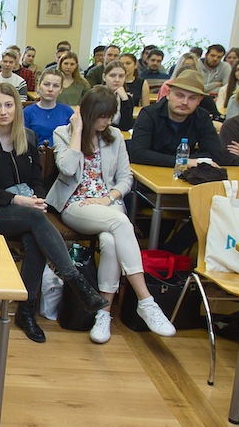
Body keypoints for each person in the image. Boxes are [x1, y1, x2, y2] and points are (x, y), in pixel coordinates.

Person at [0, 83, 106, 343]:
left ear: (17, 109)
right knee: (35, 219)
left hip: (27, 208)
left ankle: (26, 311)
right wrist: (20, 200)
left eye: (8, 105)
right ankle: (75, 281)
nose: (3, 111)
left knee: (35, 239)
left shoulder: (27, 137)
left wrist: (38, 199)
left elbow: (37, 177)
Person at [51, 88, 176, 343]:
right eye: (102, 116)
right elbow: (67, 168)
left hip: (108, 204)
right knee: (121, 222)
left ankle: (103, 314)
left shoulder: (115, 136)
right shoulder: (63, 133)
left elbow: (125, 177)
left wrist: (108, 198)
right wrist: (77, 132)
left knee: (110, 241)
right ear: (88, 113)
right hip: (76, 205)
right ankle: (146, 301)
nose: (107, 122)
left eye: (110, 116)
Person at [128, 69, 229, 167]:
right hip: (147, 174)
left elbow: (216, 154)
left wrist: (181, 161)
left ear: (199, 100)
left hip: (183, 176)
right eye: (179, 95)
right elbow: (138, 153)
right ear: (168, 94)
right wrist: (184, 161)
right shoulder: (149, 114)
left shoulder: (202, 117)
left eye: (192, 98)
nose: (185, 102)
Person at [23, 68, 76, 147]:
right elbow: (23, 142)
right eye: (46, 84)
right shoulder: (27, 112)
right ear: (38, 86)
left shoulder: (67, 111)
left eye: (56, 86)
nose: (50, 89)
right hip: (36, 155)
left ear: (61, 89)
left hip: (62, 155)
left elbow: (74, 138)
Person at [99, 59, 141, 132]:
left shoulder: (128, 99)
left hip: (119, 135)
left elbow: (127, 126)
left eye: (121, 76)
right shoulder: (95, 96)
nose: (117, 80)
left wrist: (125, 99)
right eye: (112, 76)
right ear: (104, 77)